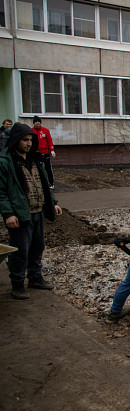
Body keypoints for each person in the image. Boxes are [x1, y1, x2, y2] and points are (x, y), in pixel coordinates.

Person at [0, 123, 62, 299]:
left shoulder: (34, 159)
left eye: (30, 140)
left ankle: (35, 278)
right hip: (20, 215)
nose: (28, 143)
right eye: (25, 140)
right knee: (20, 251)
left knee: (37, 247)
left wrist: (53, 203)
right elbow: (1, 192)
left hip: (38, 211)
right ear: (16, 140)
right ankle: (17, 284)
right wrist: (8, 214)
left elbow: (44, 184)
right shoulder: (6, 161)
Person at [31, 116, 55, 188]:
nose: (37, 123)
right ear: (34, 123)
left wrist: (52, 150)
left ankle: (51, 183)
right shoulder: (31, 130)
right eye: (36, 122)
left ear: (40, 123)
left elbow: (49, 140)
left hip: (45, 152)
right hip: (36, 153)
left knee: (48, 168)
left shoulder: (45, 130)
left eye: (38, 122)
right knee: (37, 167)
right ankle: (39, 183)